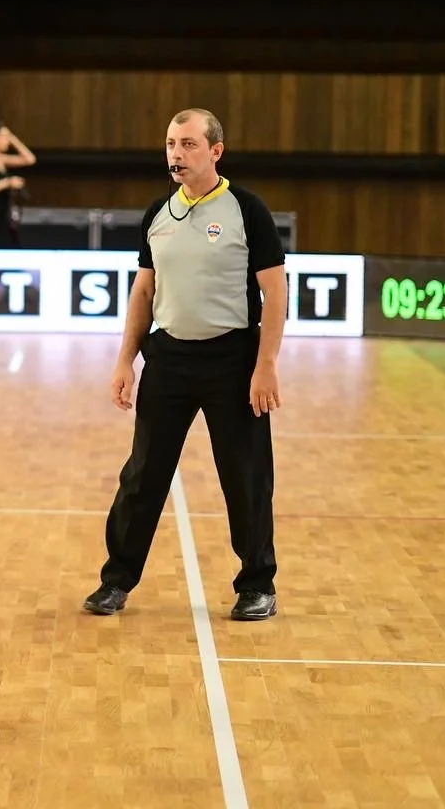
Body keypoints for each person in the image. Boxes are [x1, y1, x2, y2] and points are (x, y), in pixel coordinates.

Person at [83, 107, 285, 622]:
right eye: (172, 144)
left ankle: (257, 584)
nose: (177, 154)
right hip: (168, 359)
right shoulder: (157, 214)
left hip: (234, 362)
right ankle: (116, 581)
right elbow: (144, 291)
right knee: (143, 476)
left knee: (246, 476)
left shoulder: (247, 209)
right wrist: (124, 360)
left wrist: (266, 365)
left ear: (216, 151)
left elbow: (276, 292)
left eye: (189, 144)